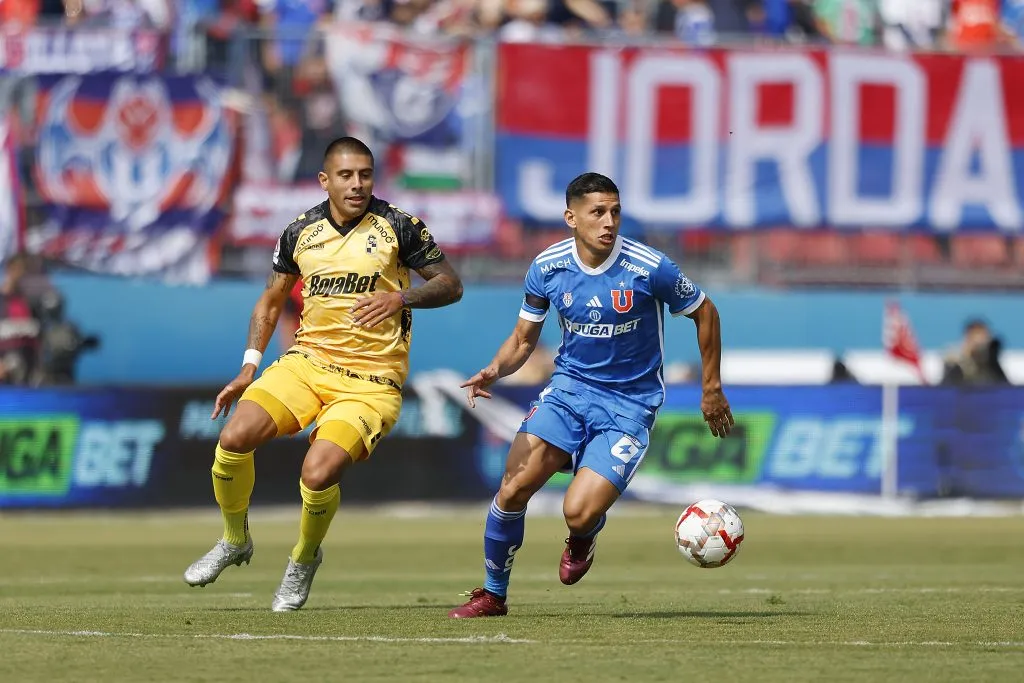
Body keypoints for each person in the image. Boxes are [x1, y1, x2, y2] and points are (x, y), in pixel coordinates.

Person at [183, 136, 463, 611]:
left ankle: (304, 557)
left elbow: (451, 284)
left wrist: (400, 297)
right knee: (234, 437)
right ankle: (234, 539)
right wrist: (249, 366)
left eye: (365, 175)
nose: (357, 185)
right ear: (324, 180)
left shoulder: (399, 226)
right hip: (307, 363)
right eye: (346, 176)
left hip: (371, 381)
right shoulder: (300, 231)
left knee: (317, 473)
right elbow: (271, 301)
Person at [449, 173, 733, 618]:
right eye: (598, 212)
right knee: (513, 488)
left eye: (615, 211)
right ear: (571, 217)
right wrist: (495, 369)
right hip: (568, 392)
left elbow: (705, 311)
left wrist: (711, 387)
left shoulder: (649, 267)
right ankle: (492, 595)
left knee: (577, 512)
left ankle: (583, 535)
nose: (609, 221)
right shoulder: (547, 267)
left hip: (629, 406)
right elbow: (523, 339)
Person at [940, 318, 1009, 386]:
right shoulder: (956, 363)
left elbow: (1004, 386)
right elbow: (947, 387)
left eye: (983, 339)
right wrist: (964, 360)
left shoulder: (991, 363)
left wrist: (993, 357)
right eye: (975, 338)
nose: (979, 343)